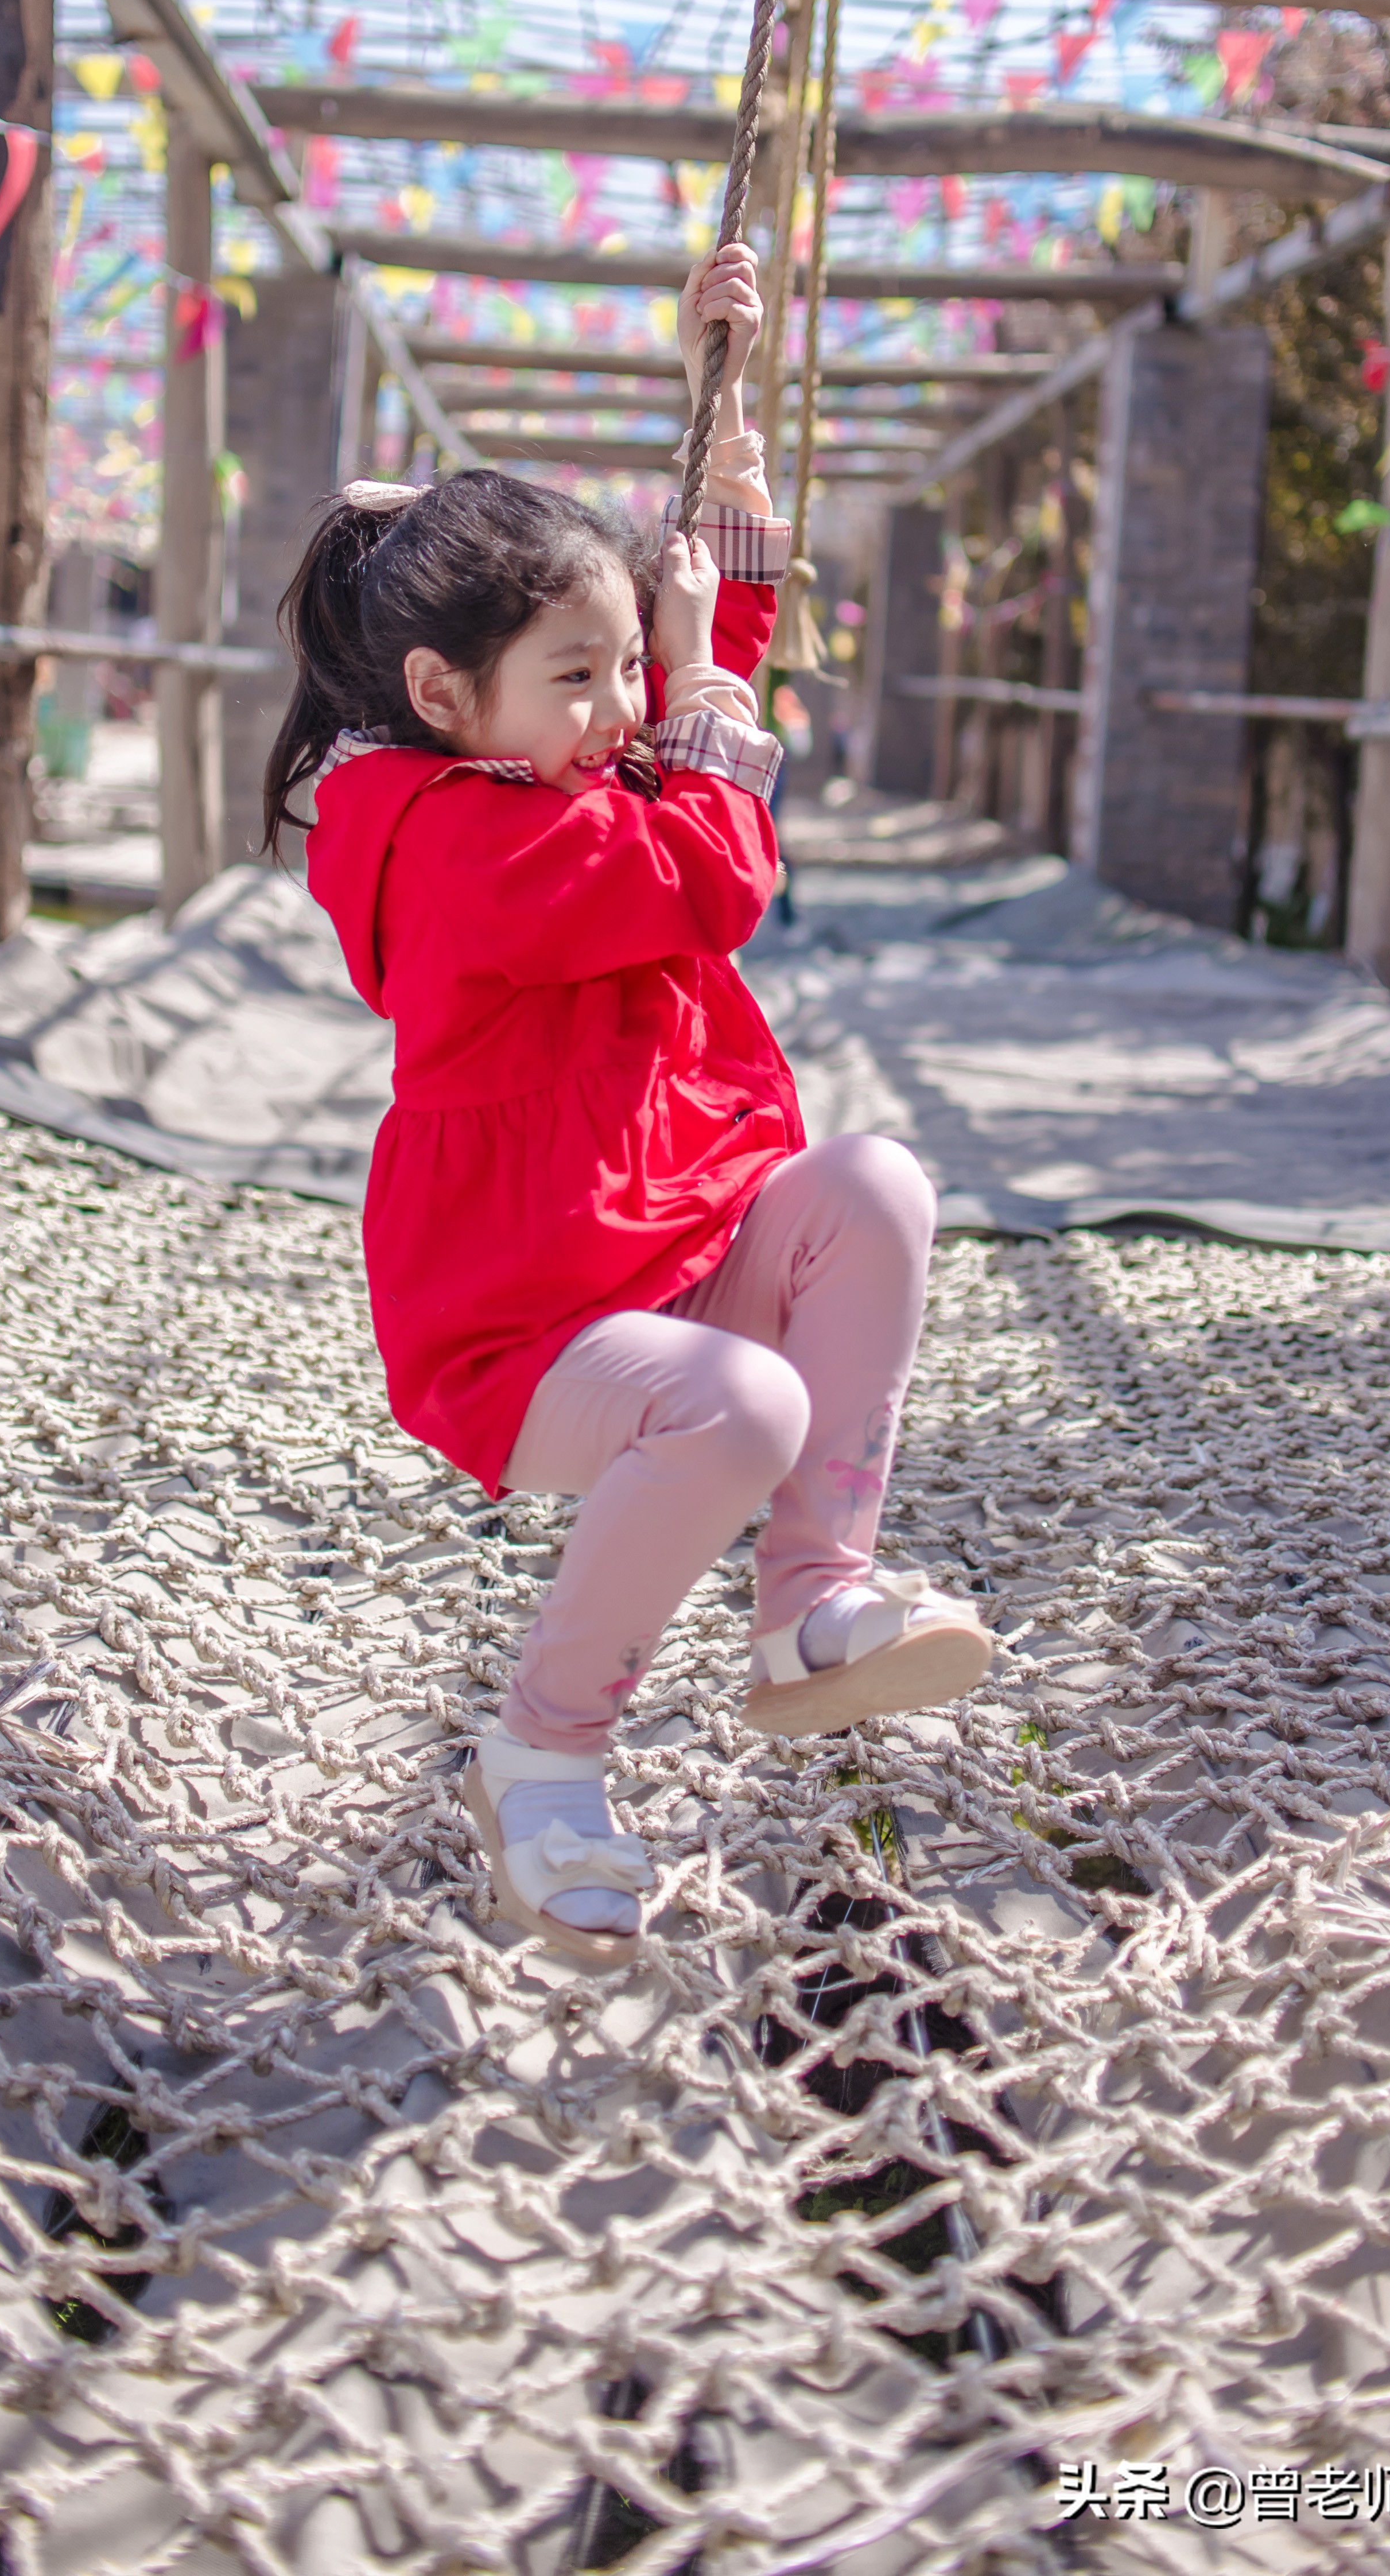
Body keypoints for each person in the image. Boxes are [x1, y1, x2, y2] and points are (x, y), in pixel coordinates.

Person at [269, 245, 990, 1971]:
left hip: (658, 1235)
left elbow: (691, 673)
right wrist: (707, 695)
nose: (619, 717)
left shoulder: (527, 763)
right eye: (577, 681)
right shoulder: (450, 832)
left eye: (617, 674)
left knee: (873, 1185)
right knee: (735, 1402)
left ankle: (811, 1593)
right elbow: (711, 866)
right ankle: (546, 1744)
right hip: (518, 1322)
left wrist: (724, 456)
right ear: (444, 698)